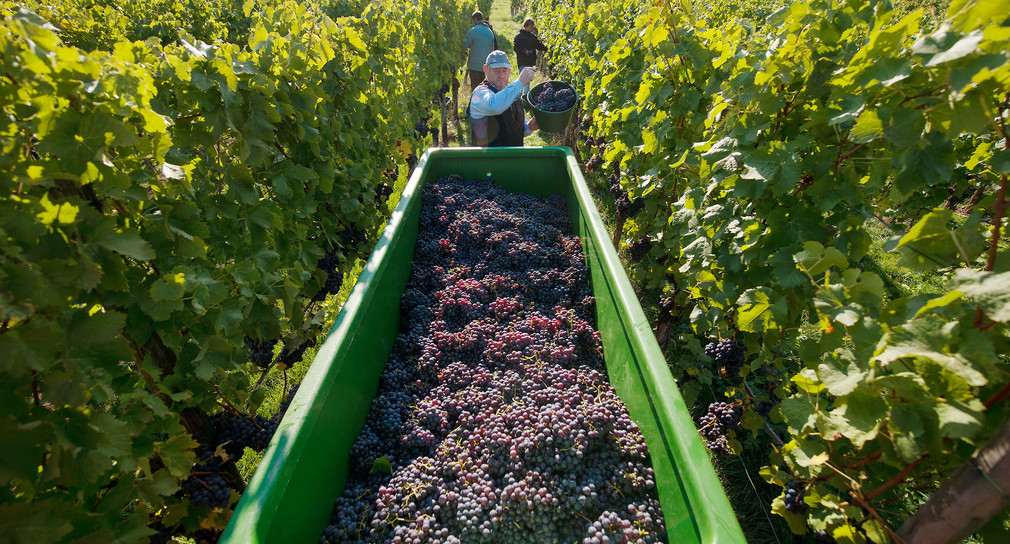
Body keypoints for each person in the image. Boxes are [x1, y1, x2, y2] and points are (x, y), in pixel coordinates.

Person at [467, 51, 539, 147]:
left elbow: (516, 129)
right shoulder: (480, 94)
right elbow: (495, 106)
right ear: (486, 69)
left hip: (512, 159)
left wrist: (529, 127)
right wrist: (520, 82)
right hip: (487, 160)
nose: (501, 75)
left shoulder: (511, 93)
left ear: (509, 71)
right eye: (496, 71)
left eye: (504, 71)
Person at [463, 11, 495, 94]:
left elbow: (464, 45)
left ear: (475, 19)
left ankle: (475, 105)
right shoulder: (489, 32)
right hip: (487, 66)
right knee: (485, 89)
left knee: (475, 89)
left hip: (475, 65)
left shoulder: (473, 31)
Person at [513, 18, 547, 95]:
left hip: (530, 62)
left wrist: (546, 48)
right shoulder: (519, 37)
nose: (532, 28)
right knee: (523, 79)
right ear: (526, 26)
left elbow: (538, 46)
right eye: (530, 27)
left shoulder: (532, 37)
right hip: (522, 61)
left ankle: (524, 96)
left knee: (527, 80)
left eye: (532, 27)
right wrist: (525, 51)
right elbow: (516, 48)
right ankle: (520, 96)